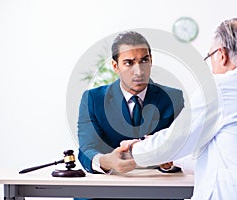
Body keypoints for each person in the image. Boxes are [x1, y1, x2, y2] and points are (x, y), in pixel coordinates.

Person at [119, 18, 237, 200]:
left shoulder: (223, 88)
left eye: (209, 57)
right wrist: (172, 159)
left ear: (221, 54)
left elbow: (174, 140)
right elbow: (227, 157)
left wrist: (134, 149)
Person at [77, 31, 184, 175]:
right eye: (129, 63)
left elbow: (183, 148)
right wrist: (106, 161)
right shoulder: (93, 99)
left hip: (157, 187)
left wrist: (168, 161)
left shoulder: (174, 97)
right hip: (109, 187)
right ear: (115, 66)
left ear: (151, 60)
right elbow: (86, 149)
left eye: (144, 60)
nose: (139, 71)